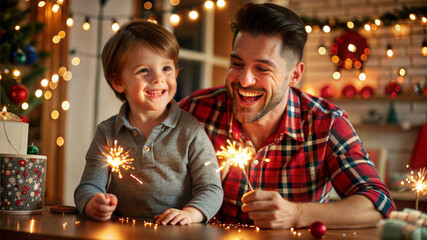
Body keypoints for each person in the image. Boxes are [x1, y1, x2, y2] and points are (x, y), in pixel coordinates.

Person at [179, 3, 395, 229]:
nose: (244, 80)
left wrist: (297, 213)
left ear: (294, 75)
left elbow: (379, 205)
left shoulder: (327, 123)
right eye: (237, 64)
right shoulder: (196, 111)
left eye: (262, 69)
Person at [74, 20, 223, 225]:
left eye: (166, 68)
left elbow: (211, 189)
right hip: (123, 232)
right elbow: (88, 186)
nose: (158, 79)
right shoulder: (108, 132)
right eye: (144, 70)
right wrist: (93, 203)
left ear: (176, 72)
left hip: (178, 234)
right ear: (118, 81)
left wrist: (190, 213)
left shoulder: (190, 130)